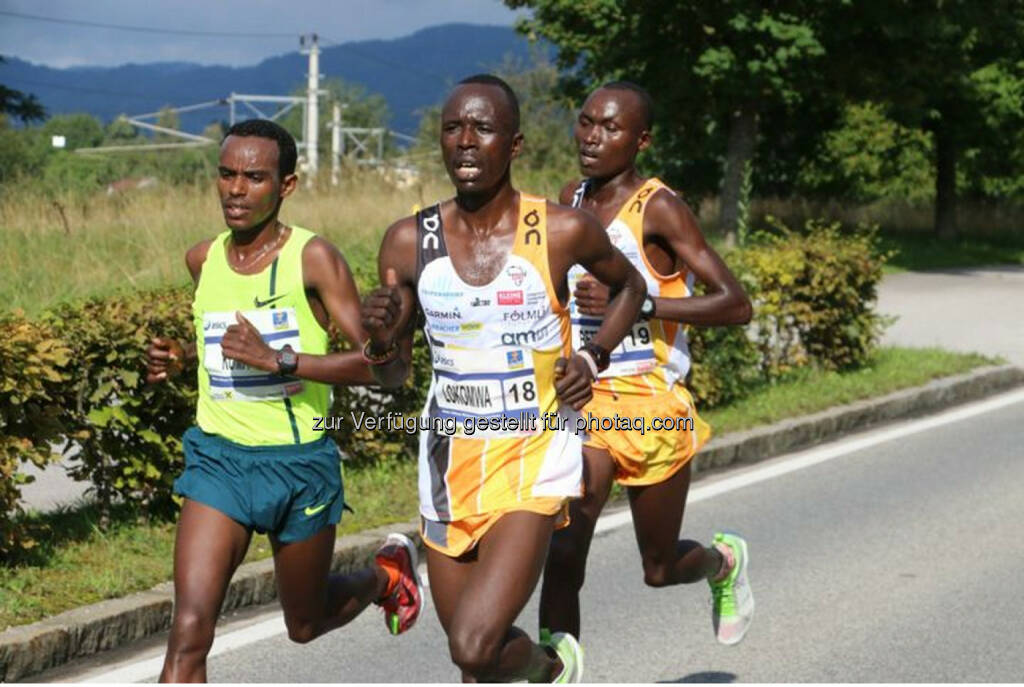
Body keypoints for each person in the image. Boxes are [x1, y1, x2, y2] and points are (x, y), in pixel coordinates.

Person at [361, 75, 646, 683]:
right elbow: (393, 376)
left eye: (483, 128)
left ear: (514, 145)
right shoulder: (409, 241)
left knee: (472, 644)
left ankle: (546, 664)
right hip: (448, 461)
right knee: (479, 665)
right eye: (452, 128)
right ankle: (542, 669)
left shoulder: (563, 230)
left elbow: (631, 286)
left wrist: (592, 356)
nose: (465, 141)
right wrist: (381, 340)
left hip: (533, 454)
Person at [144, 119, 421, 683]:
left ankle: (386, 577)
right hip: (219, 463)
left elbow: (381, 367)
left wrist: (280, 360)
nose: (235, 189)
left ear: (286, 185)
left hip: (298, 467)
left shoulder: (313, 259)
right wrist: (183, 357)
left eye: (254, 177)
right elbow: (225, 344)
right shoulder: (203, 259)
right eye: (226, 174)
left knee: (305, 622)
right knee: (188, 635)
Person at [538, 82, 756, 646]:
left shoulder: (660, 208)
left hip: (651, 404)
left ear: (641, 141)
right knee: (563, 552)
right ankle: (555, 671)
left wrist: (639, 304)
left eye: (610, 128)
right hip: (586, 401)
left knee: (659, 567)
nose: (591, 137)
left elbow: (736, 304)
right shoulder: (571, 198)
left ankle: (722, 563)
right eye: (586, 122)